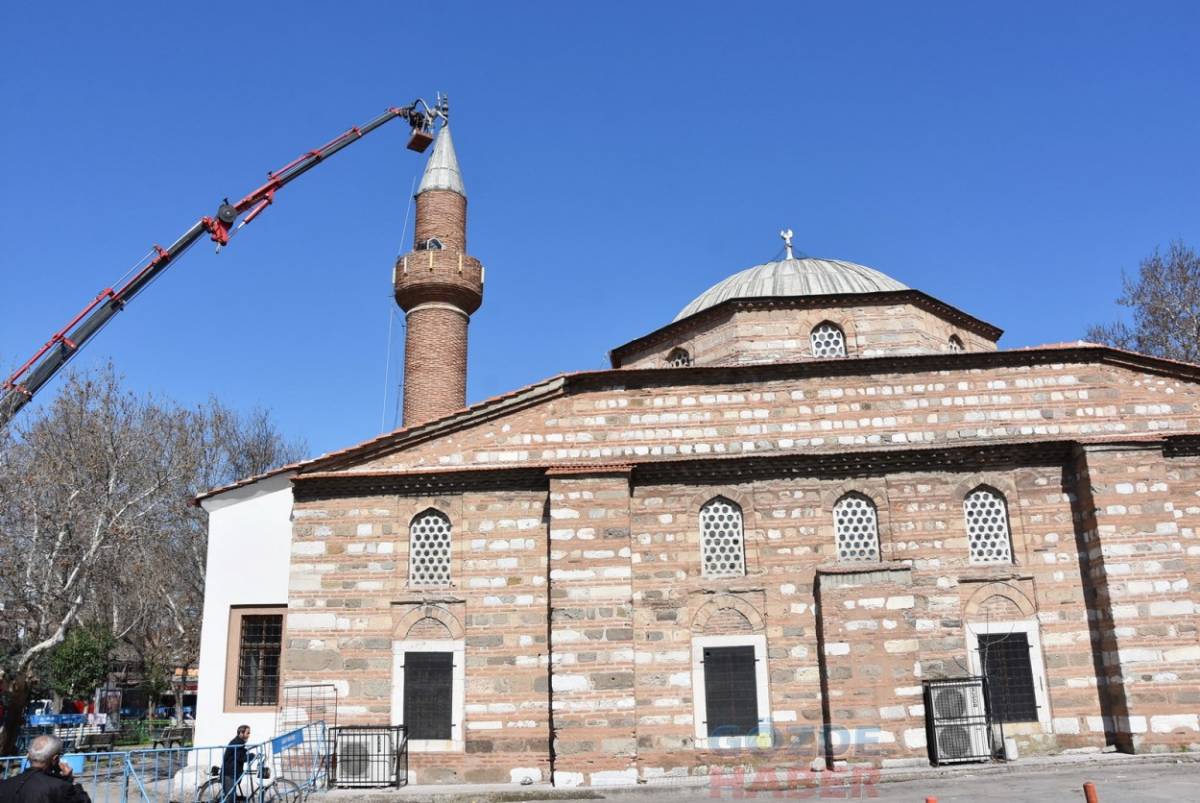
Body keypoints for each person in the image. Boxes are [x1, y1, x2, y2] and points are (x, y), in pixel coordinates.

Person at [0, 735, 90, 803]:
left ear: (28, 756)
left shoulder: (5, 785)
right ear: (55, 759)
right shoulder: (61, 787)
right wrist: (70, 781)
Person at [220, 725, 252, 801]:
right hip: (229, 774)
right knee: (230, 799)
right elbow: (240, 757)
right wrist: (252, 756)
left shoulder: (239, 742)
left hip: (232, 772)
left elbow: (238, 754)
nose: (249, 735)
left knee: (233, 797)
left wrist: (246, 750)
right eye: (247, 733)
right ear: (241, 733)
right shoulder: (237, 742)